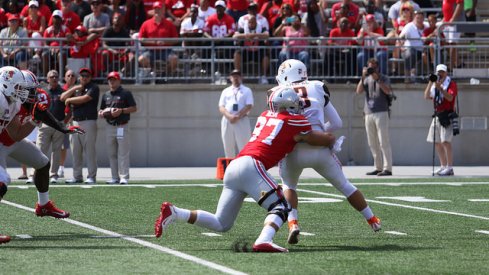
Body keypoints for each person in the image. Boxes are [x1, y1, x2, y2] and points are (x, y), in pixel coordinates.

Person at [154, 87, 337, 253]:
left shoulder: (265, 115)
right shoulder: (293, 121)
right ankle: (264, 240)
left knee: (221, 223)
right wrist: (331, 139)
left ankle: (176, 212)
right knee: (281, 206)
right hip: (252, 165)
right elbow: (314, 138)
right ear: (288, 105)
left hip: (234, 166)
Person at [274, 59, 381, 244]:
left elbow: (277, 125)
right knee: (345, 186)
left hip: (294, 149)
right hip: (319, 147)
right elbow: (337, 123)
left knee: (288, 186)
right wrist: (320, 132)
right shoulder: (317, 86)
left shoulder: (275, 93)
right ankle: (372, 220)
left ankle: (293, 223)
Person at [0, 66, 84, 244]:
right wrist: (33, 120)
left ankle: (43, 205)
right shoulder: (5, 100)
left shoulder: (16, 101)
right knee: (2, 183)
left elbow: (29, 122)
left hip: (12, 142)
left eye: (28, 89)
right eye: (24, 89)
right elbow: (17, 131)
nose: (30, 94)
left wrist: (63, 128)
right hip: (1, 144)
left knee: (43, 163)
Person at [61, 67, 99, 184]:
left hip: (88, 121)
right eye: (82, 75)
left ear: (90, 77)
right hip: (75, 122)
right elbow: (62, 98)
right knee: (76, 151)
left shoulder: (94, 87)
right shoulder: (76, 87)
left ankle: (91, 176)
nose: (84, 78)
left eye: (87, 76)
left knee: (89, 150)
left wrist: (70, 100)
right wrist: (76, 87)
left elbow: (85, 98)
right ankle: (77, 176)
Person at [356, 58, 393, 176]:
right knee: (372, 142)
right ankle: (378, 167)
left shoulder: (384, 78)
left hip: (381, 111)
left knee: (383, 141)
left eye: (373, 67)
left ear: (377, 67)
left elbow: (387, 91)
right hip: (368, 112)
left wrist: (377, 79)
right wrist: (363, 76)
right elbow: (358, 91)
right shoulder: (366, 79)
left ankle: (388, 168)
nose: (371, 69)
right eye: (369, 67)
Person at [98, 71, 137, 184]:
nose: (111, 81)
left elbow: (134, 108)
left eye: (114, 79)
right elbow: (101, 109)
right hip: (110, 126)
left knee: (123, 152)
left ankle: (124, 176)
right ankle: (115, 177)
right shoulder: (106, 95)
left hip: (122, 126)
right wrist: (101, 113)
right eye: (110, 79)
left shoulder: (126, 93)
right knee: (112, 153)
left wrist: (122, 111)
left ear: (119, 80)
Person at [424, 64, 458, 176]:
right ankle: (443, 166)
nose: (440, 74)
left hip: (446, 115)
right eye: (438, 72)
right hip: (437, 115)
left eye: (442, 72)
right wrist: (430, 82)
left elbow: (450, 97)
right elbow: (426, 96)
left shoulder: (451, 84)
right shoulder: (435, 85)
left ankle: (450, 167)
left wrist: (441, 89)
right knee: (437, 142)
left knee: (446, 142)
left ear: (446, 73)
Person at [36, 70, 67, 184]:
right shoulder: (42, 92)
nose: (54, 78)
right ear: (47, 79)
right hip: (45, 124)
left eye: (56, 76)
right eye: (51, 76)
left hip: (58, 124)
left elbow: (69, 108)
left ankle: (53, 174)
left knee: (56, 150)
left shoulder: (63, 91)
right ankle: (36, 173)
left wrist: (64, 122)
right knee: (40, 149)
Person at [218, 69, 253, 158]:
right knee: (228, 146)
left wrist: (237, 116)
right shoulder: (226, 91)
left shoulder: (247, 90)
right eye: (233, 76)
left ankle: (244, 168)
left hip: (242, 120)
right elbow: (221, 107)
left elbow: (249, 105)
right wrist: (230, 116)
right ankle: (230, 169)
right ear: (230, 78)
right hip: (228, 120)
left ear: (241, 77)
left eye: (237, 76)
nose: (235, 78)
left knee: (244, 145)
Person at [233, 14, 270, 84]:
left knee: (265, 55)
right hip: (246, 51)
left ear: (256, 22)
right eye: (249, 22)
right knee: (237, 53)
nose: (251, 24)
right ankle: (238, 75)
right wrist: (246, 35)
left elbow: (267, 35)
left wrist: (256, 35)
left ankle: (263, 76)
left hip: (258, 51)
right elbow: (235, 36)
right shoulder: (243, 28)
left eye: (253, 22)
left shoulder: (261, 28)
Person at [442, 0, 465, 70]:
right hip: (447, 22)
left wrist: (453, 19)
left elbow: (460, 5)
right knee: (448, 44)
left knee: (452, 44)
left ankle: (451, 67)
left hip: (455, 22)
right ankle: (458, 63)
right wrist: (444, 19)